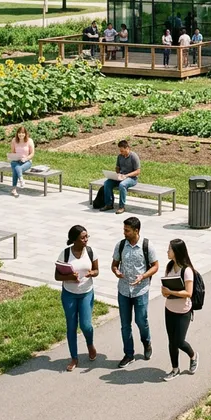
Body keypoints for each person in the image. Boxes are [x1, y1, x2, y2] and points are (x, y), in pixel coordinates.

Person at [111, 216, 159, 368]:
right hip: (124, 291)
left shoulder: (147, 245)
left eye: (127, 230)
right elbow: (114, 265)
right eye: (124, 230)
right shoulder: (120, 245)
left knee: (141, 321)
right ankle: (129, 354)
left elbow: (155, 266)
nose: (124, 233)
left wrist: (143, 276)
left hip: (141, 291)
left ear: (136, 231)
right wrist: (116, 271)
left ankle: (147, 342)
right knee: (125, 325)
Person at [56, 225, 99, 371]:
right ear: (74, 239)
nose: (86, 240)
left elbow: (96, 270)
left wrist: (92, 273)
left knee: (86, 325)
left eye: (87, 237)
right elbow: (57, 276)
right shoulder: (65, 254)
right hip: (69, 294)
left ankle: (90, 344)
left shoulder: (91, 251)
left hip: (86, 292)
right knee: (71, 326)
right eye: (83, 237)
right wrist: (69, 276)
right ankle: (74, 357)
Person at [161, 239, 199, 380]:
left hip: (183, 311)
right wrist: (165, 291)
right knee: (171, 341)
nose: (167, 251)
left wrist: (171, 291)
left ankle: (193, 355)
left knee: (179, 341)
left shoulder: (187, 271)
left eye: (169, 249)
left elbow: (188, 293)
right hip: (169, 309)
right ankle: (175, 369)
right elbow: (165, 289)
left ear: (176, 251)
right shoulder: (169, 266)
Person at [102, 140, 141, 214]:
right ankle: (109, 204)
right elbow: (118, 168)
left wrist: (126, 175)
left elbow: (138, 171)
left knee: (122, 185)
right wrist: (117, 173)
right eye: (120, 151)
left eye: (122, 151)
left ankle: (121, 206)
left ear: (127, 148)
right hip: (121, 176)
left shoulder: (134, 156)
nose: (121, 152)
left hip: (131, 178)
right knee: (107, 183)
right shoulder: (120, 156)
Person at [8, 126, 35, 198]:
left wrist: (26, 158)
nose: (21, 135)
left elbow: (32, 153)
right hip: (17, 161)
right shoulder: (14, 140)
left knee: (16, 169)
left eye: (23, 133)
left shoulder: (30, 141)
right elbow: (13, 152)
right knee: (14, 164)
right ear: (17, 134)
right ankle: (21, 180)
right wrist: (13, 157)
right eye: (19, 133)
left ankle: (14, 189)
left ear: (25, 134)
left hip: (27, 162)